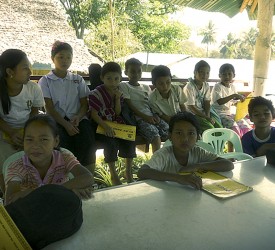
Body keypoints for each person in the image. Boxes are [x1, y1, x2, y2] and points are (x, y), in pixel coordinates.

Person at [4, 114, 94, 205]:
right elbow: (10, 202)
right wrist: (67, 191)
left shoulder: (64, 157)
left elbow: (87, 177)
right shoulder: (16, 166)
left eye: (43, 139)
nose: (35, 146)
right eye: (29, 139)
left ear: (56, 141)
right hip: (33, 214)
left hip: (61, 208)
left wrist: (35, 193)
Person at [38, 41, 96, 173]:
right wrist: (65, 124)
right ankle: (66, 177)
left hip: (77, 119)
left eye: (68, 57)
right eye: (61, 57)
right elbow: (50, 108)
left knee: (87, 139)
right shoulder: (45, 81)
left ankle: (88, 177)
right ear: (53, 58)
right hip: (56, 120)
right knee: (61, 141)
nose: (65, 60)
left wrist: (78, 117)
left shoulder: (77, 79)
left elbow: (84, 104)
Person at [137, 112, 234, 189]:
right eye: (179, 133)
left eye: (191, 133)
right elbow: (143, 172)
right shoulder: (164, 154)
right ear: (170, 136)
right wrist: (178, 178)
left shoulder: (198, 152)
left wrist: (197, 166)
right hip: (171, 199)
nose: (185, 139)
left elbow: (228, 164)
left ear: (197, 137)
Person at [0, 49, 45, 194]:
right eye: (25, 68)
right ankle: (7, 194)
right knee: (4, 159)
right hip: (4, 131)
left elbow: (34, 112)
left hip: (27, 129)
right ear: (10, 72)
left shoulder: (33, 88)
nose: (30, 71)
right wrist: (11, 133)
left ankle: (36, 191)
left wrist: (28, 135)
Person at [89, 62, 136, 185]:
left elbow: (117, 112)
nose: (113, 82)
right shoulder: (96, 93)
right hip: (100, 124)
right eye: (108, 78)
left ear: (120, 78)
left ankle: (128, 171)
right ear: (102, 78)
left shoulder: (118, 92)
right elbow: (94, 114)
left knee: (130, 137)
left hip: (114, 122)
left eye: (116, 79)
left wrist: (117, 99)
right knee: (111, 142)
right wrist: (106, 127)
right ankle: (113, 173)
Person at [120, 58, 169, 152]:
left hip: (152, 117)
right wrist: (145, 117)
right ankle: (156, 165)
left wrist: (155, 115)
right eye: (133, 71)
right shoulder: (124, 86)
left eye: (139, 71)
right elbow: (129, 105)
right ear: (126, 72)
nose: (136, 74)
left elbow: (152, 104)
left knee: (170, 131)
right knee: (156, 138)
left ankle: (168, 160)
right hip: (139, 119)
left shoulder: (146, 87)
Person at [211, 63, 251, 137]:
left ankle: (245, 143)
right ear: (219, 75)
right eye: (224, 74)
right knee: (233, 126)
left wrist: (242, 100)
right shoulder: (217, 87)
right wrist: (234, 95)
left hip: (229, 113)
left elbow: (235, 101)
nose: (227, 77)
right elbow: (220, 101)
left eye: (229, 74)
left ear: (233, 75)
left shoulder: (232, 87)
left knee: (245, 126)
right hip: (218, 114)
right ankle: (232, 147)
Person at [183, 60, 223, 133]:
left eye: (207, 73)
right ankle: (209, 143)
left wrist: (207, 115)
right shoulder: (189, 87)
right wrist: (206, 117)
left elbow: (207, 101)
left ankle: (219, 144)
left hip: (203, 112)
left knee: (219, 127)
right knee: (209, 128)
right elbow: (191, 107)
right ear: (195, 73)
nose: (205, 75)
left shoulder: (206, 85)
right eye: (202, 72)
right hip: (192, 114)